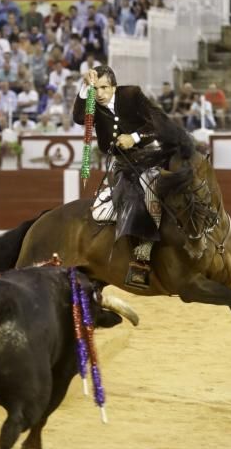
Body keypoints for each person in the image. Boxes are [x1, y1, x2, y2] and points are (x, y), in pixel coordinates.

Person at [72, 65, 169, 289]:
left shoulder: (132, 95)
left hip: (150, 155)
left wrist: (134, 137)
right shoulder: (92, 103)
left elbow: (157, 123)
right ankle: (141, 256)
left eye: (104, 88)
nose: (100, 94)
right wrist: (85, 86)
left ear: (114, 86)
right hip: (121, 163)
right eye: (96, 89)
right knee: (132, 194)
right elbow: (78, 118)